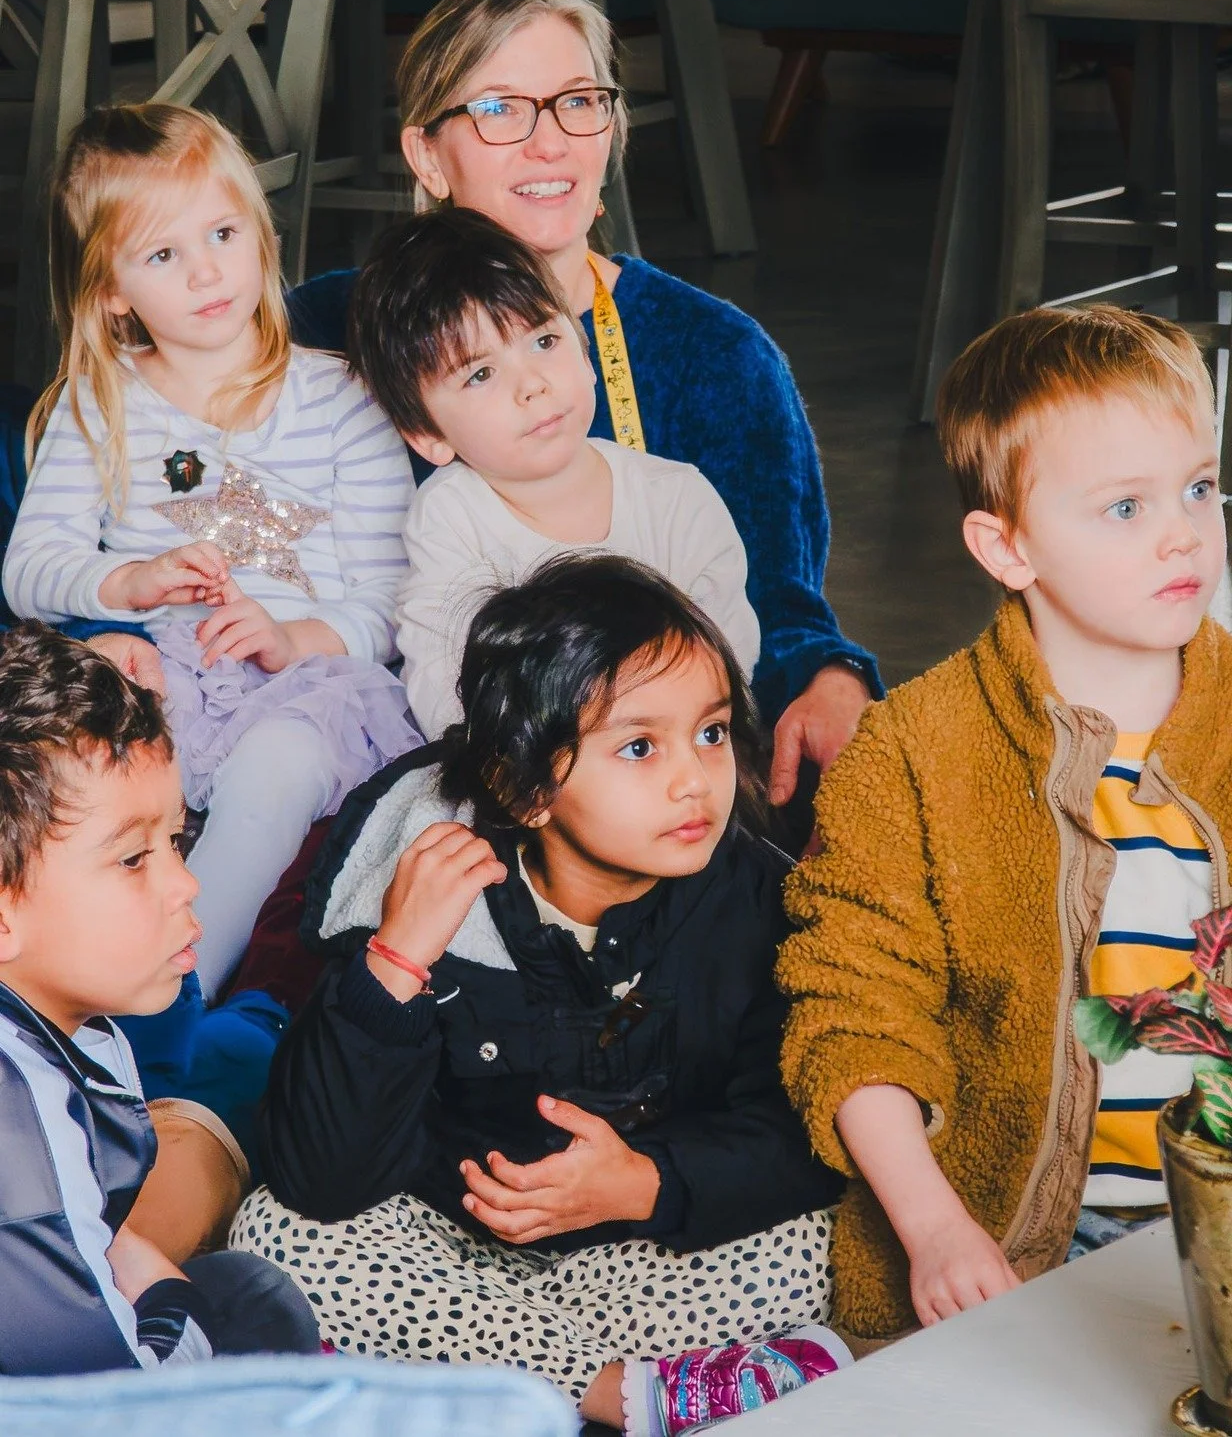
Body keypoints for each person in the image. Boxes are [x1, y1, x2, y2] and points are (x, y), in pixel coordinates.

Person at [231, 554, 849, 1434]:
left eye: (711, 733)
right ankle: (623, 1393)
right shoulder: (433, 897)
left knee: (827, 1235)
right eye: (639, 747)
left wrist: (647, 1183)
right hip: (451, 1246)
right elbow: (324, 1176)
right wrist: (395, 963)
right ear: (526, 792)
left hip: (646, 1251)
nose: (694, 781)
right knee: (279, 1235)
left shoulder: (753, 895)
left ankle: (478, 1366)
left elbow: (793, 1134)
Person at [285, 0, 880, 813]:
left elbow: (776, 608)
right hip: (401, 759)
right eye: (500, 109)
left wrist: (829, 675)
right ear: (427, 155)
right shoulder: (328, 331)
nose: (550, 144)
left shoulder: (716, 355)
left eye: (577, 102)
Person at [775, 304, 1232, 1348]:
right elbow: (851, 1012)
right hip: (1011, 1244)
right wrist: (935, 1229)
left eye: (1199, 488)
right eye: (1124, 507)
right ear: (1006, 546)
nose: (1181, 532)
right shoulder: (910, 749)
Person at [3, 102, 419, 1011]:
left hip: (310, 686)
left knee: (274, 766)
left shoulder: (342, 397)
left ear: (259, 232)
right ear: (111, 291)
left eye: (223, 233)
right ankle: (53, 991)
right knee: (74, 771)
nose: (206, 272)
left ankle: (183, 993)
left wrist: (292, 638)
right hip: (169, 670)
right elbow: (29, 568)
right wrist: (129, 582)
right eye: (163, 255)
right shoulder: (100, 401)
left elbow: (395, 600)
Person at [0, 623, 320, 1375]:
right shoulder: (18, 1124)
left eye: (177, 841)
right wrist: (164, 1290)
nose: (186, 883)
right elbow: (97, 1402)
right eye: (133, 858)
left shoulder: (67, 1021)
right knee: (253, 1304)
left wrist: (116, 1246)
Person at [348, 205, 759, 739]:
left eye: (544, 341)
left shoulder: (678, 499)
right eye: (480, 374)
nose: (532, 385)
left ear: (587, 355)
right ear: (428, 435)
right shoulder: (450, 517)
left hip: (675, 755)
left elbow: (729, 669)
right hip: (523, 763)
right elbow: (442, 683)